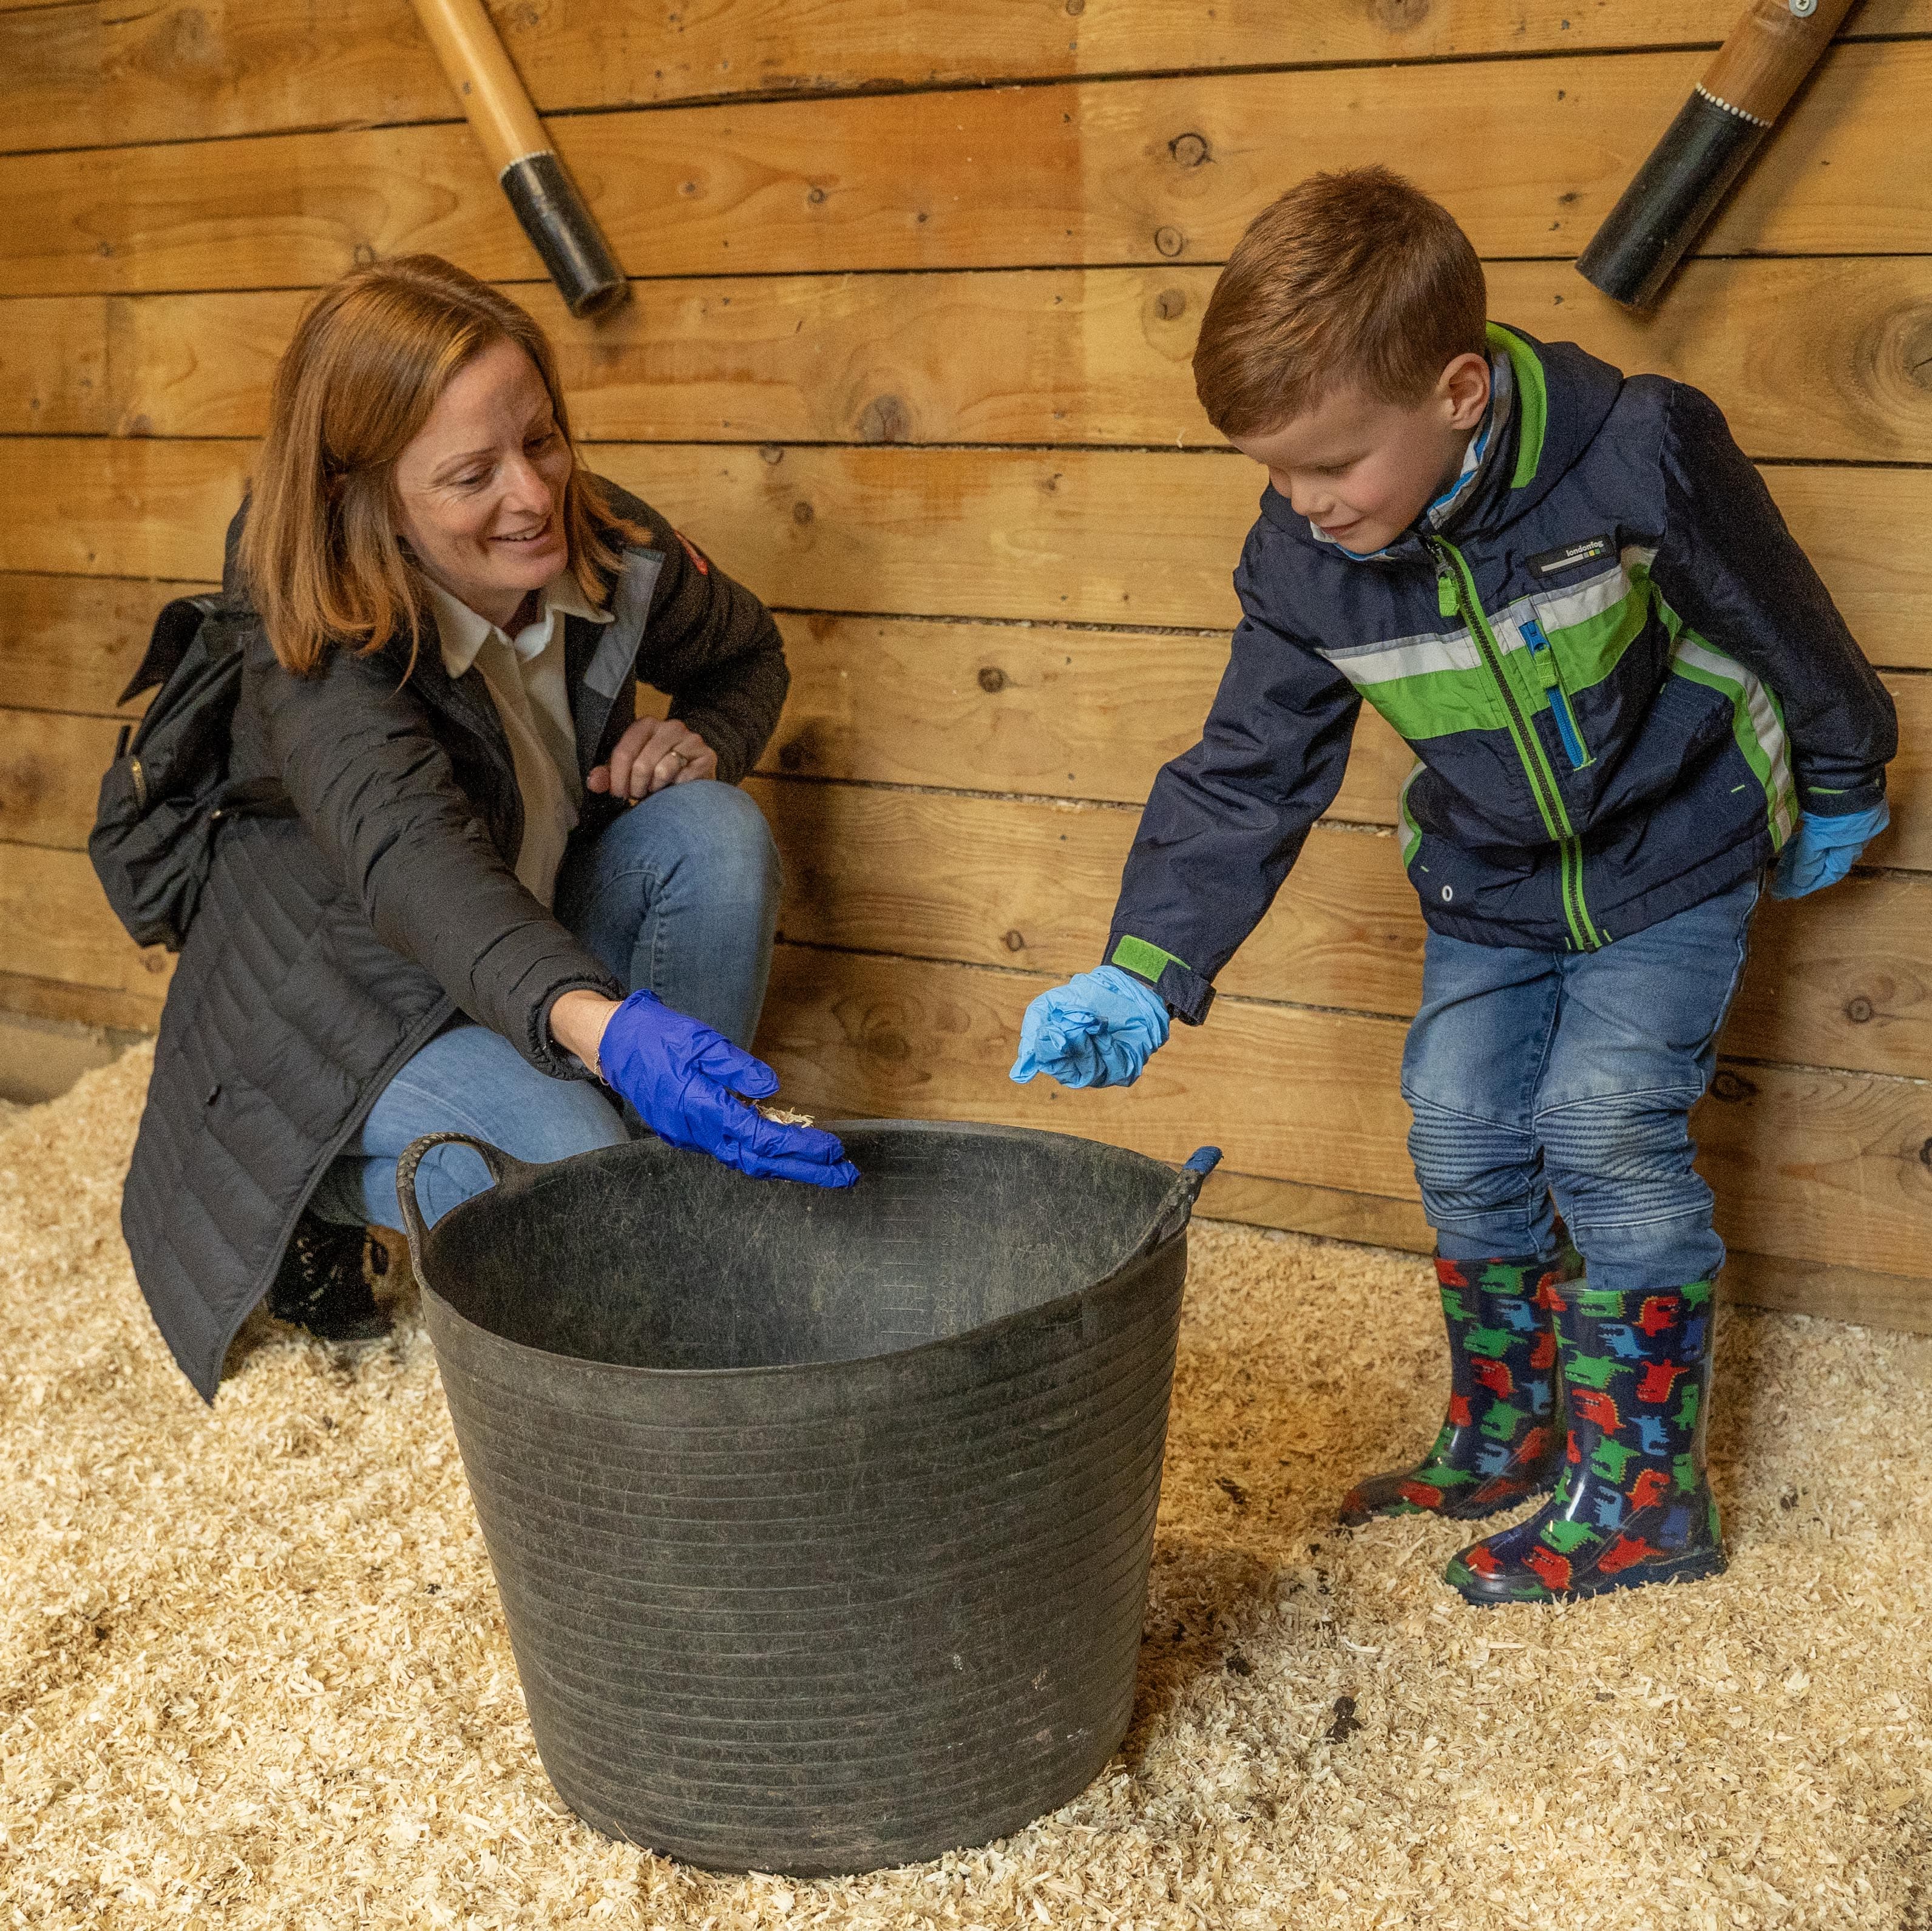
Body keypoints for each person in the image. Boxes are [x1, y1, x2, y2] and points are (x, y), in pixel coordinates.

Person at [1009, 169, 1896, 1605]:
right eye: (1272, 474)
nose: (1301, 504)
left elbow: (1774, 607)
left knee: (1600, 1119)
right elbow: (1248, 768)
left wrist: (1847, 767)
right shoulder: (1305, 562)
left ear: (1459, 393)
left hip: (1673, 836)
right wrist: (1144, 961)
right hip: (1489, 867)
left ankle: (1642, 1498)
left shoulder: (1631, 451)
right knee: (1459, 1121)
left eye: (1330, 465)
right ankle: (1507, 1430)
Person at [123, 254, 856, 1404]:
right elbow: (413, 860)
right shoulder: (315, 628)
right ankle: (325, 1193)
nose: (533, 495)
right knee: (573, 1183)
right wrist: (607, 1033)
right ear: (361, 499)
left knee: (712, 832)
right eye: (472, 473)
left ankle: (659, 1200)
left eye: (545, 439)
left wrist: (707, 737)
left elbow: (748, 652)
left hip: (531, 936)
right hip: (357, 1004)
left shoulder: (607, 541)